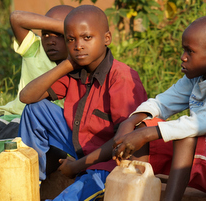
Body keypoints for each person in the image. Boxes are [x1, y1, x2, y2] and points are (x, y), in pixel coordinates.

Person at [113, 14, 206, 201]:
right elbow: (163, 103)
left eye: (189, 51)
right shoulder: (199, 75)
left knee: (184, 136)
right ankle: (136, 195)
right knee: (147, 124)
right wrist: (132, 121)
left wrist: (146, 134)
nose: (182, 57)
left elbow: (202, 124)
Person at [17, 4, 147, 201]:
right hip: (81, 143)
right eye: (71, 40)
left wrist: (78, 166)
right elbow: (26, 96)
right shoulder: (75, 71)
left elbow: (125, 141)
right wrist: (68, 63)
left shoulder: (121, 78)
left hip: (110, 162)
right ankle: (30, 179)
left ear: (107, 38)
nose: (78, 45)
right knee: (34, 109)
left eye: (87, 38)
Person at [0, 5, 74, 198]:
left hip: (41, 133)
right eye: (46, 34)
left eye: (59, 35)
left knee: (54, 153)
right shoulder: (35, 49)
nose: (50, 41)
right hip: (11, 124)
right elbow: (17, 17)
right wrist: (67, 26)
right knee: (42, 154)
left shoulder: (80, 62)